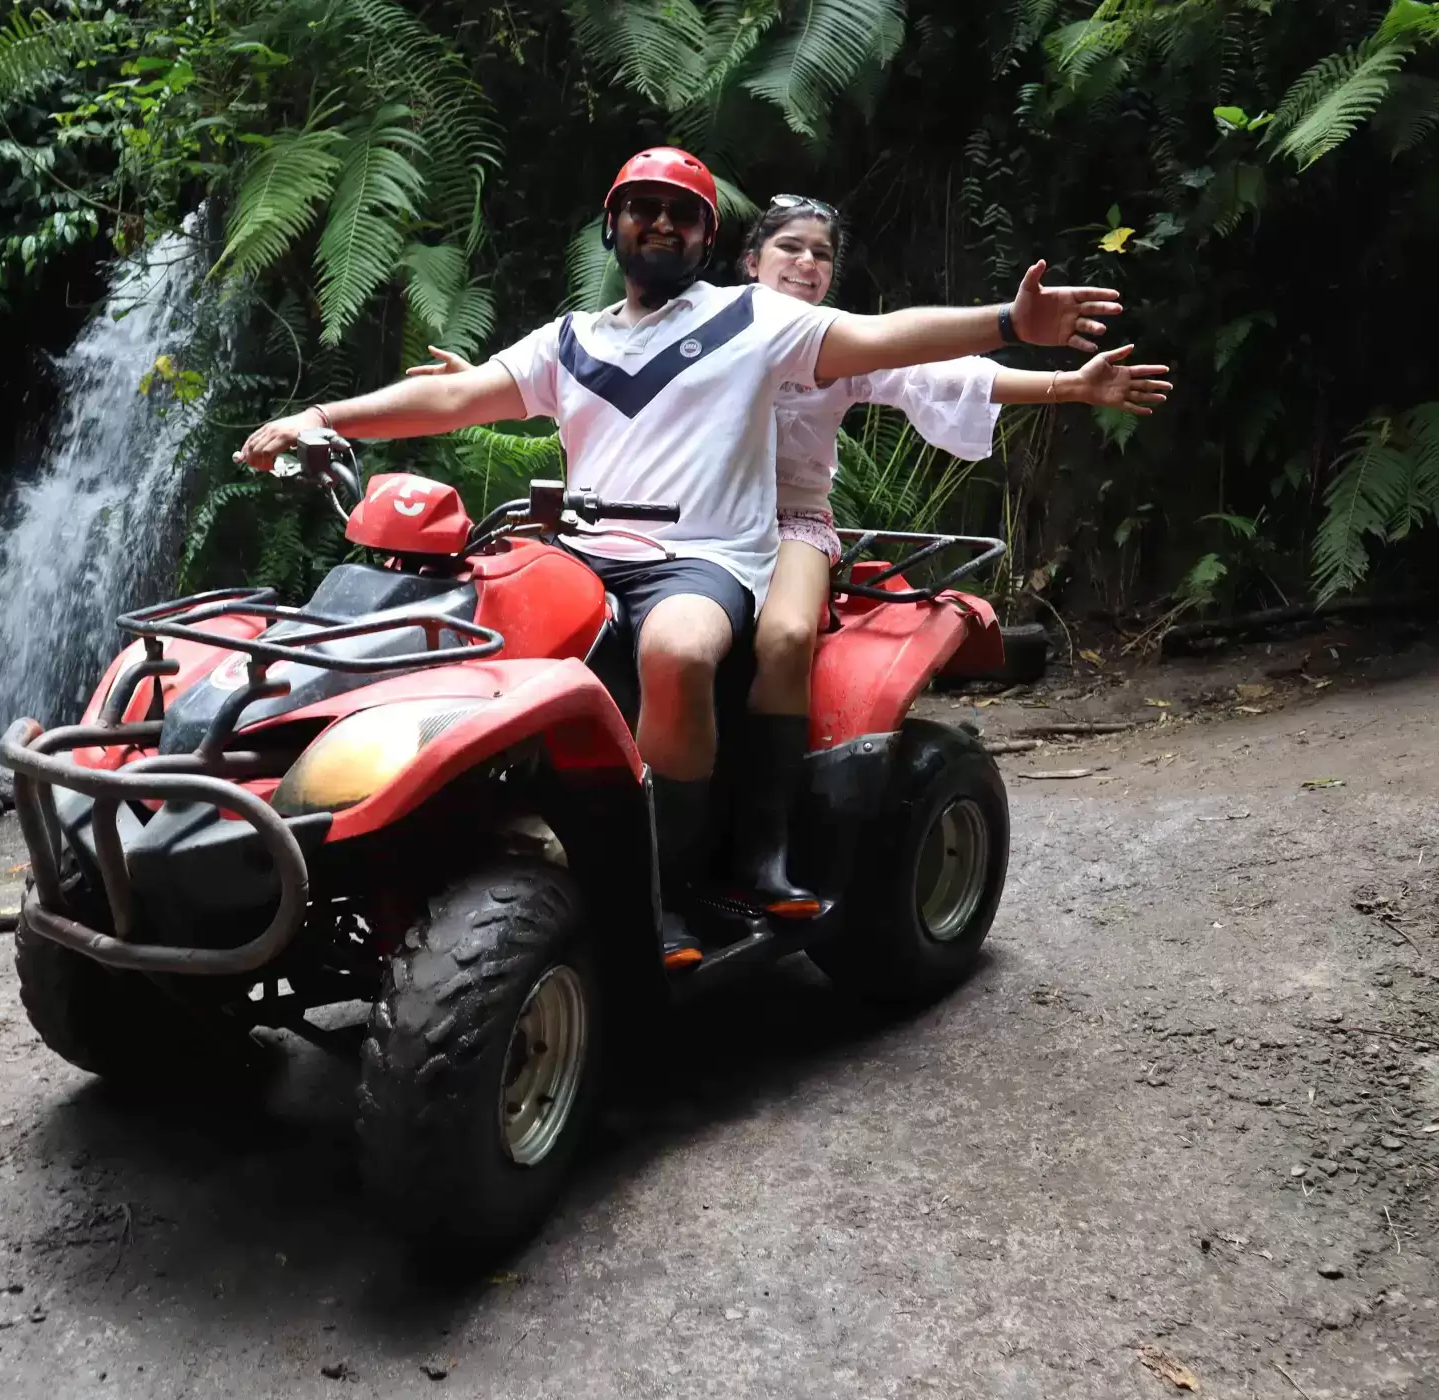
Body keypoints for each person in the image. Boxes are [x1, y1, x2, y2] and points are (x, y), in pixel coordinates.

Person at [237, 146, 1127, 968]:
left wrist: (1009, 321)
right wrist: (322, 417)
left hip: (704, 558)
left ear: (708, 238)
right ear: (613, 226)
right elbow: (455, 399)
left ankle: (671, 887)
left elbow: (887, 341)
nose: (661, 223)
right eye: (644, 208)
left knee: (679, 648)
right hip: (578, 553)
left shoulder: (757, 319)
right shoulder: (568, 340)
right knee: (463, 639)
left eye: (683, 213)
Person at [727, 195, 1173, 911]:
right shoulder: (706, 326)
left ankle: (763, 846)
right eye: (790, 248)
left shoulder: (842, 346)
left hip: (791, 522)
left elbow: (941, 374)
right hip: (693, 523)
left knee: (782, 637)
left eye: (822, 254)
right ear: (752, 261)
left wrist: (1071, 386)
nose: (807, 263)